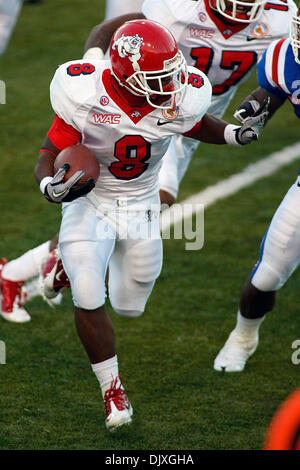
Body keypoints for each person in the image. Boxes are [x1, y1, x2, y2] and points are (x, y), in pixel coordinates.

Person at [34, 19, 267, 430]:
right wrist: (49, 185)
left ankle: (61, 265)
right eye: (157, 78)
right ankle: (112, 391)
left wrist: (233, 134)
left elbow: (197, 124)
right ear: (124, 78)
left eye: (171, 74)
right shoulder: (84, 93)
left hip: (142, 203)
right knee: (89, 292)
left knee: (130, 306)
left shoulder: (179, 93)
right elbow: (49, 150)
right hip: (92, 201)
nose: (170, 85)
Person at [2, 0, 294, 322]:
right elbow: (110, 32)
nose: (242, 8)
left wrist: (242, 124)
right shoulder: (179, 9)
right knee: (141, 206)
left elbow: (279, 70)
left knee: (136, 216)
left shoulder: (280, 19)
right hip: (144, 115)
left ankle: (40, 269)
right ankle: (32, 270)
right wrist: (94, 62)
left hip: (190, 115)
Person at [214, 4, 300, 372]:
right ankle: (244, 337)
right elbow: (271, 92)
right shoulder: (286, 57)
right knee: (266, 275)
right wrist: (254, 110)